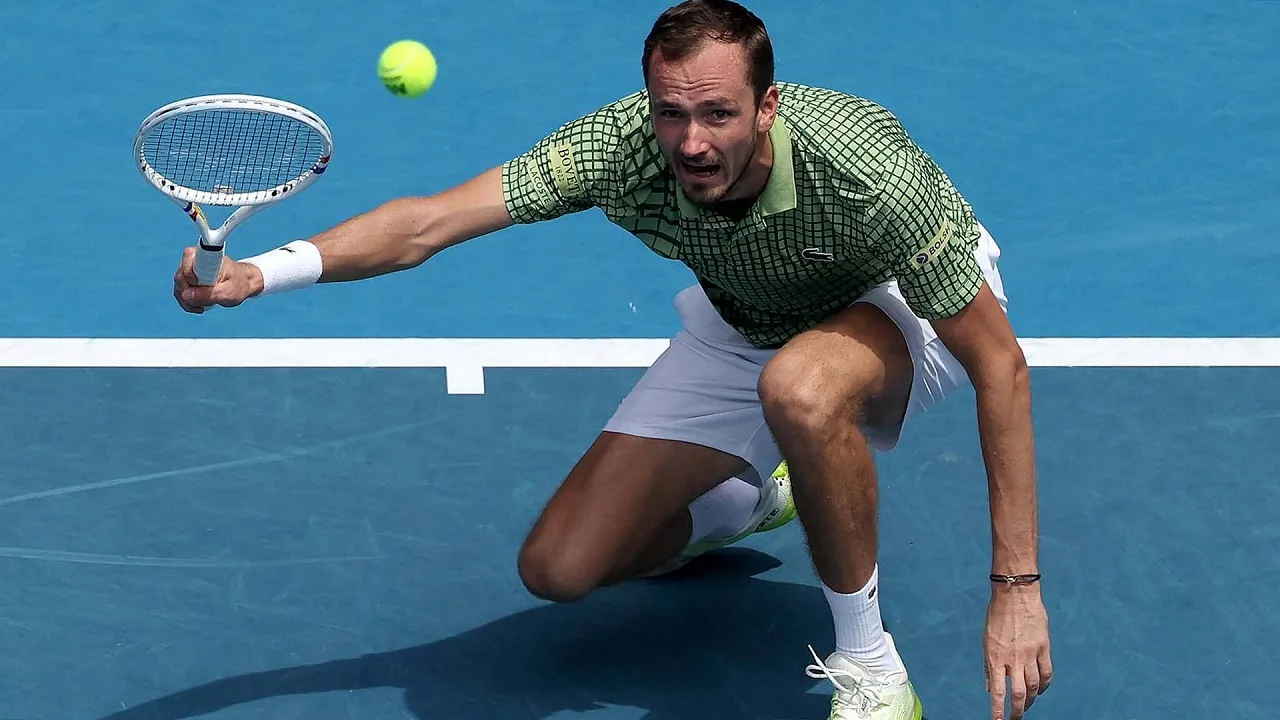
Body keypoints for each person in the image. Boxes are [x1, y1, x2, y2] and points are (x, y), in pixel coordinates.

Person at [172, 0, 1053, 717]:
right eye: (671, 113)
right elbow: (428, 224)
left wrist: (1016, 586)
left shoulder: (865, 173)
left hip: (896, 310)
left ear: (768, 106)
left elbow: (999, 365)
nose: (692, 142)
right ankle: (753, 501)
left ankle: (873, 671)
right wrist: (261, 272)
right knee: (560, 569)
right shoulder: (618, 149)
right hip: (746, 317)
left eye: (718, 113)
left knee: (801, 389)